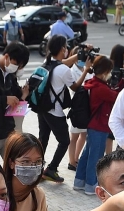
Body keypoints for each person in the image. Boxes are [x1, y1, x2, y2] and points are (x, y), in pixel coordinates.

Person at [36, 35, 89, 183]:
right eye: (65, 47)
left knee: (43, 139)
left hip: (42, 108)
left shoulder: (46, 63)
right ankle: (51, 169)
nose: (67, 49)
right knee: (64, 141)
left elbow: (62, 63)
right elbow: (76, 87)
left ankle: (37, 170)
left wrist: (79, 55)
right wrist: (86, 70)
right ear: (62, 49)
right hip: (54, 111)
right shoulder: (64, 70)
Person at [73, 55, 119, 194]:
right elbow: (116, 96)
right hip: (99, 125)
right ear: (105, 71)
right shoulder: (101, 88)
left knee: (87, 154)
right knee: (96, 156)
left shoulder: (92, 83)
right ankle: (91, 185)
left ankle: (79, 182)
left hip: (93, 125)